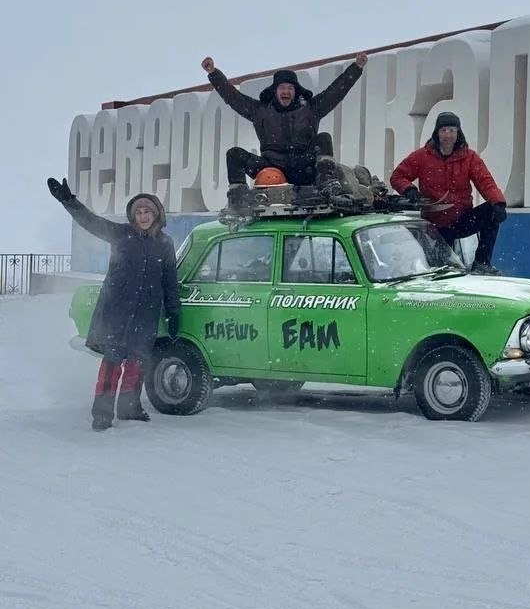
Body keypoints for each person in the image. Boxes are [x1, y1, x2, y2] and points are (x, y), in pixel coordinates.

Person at [47, 179, 180, 431]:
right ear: (133, 215)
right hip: (116, 312)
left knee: (136, 362)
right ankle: (102, 413)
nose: (143, 216)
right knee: (112, 363)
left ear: (156, 214)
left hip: (146, 313)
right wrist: (68, 201)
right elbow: (90, 221)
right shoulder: (121, 234)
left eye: (147, 212)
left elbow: (170, 280)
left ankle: (129, 408)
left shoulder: (165, 243)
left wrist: (173, 311)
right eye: (138, 212)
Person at [200, 53, 367, 197]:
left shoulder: (311, 108)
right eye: (282, 88)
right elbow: (232, 97)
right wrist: (214, 74)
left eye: (290, 88)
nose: (286, 92)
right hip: (271, 169)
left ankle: (328, 185)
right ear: (275, 91)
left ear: (296, 91)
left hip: (305, 167)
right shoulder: (260, 111)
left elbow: (336, 91)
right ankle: (239, 199)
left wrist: (356, 67)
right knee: (234, 154)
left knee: (323, 138)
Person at [389, 112, 507, 275]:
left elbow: (485, 181)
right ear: (437, 132)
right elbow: (397, 176)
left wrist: (498, 202)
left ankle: (482, 263)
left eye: (452, 130)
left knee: (493, 211)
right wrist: (409, 190)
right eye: (444, 130)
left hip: (462, 220)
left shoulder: (470, 157)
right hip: (435, 226)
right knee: (443, 273)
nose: (448, 135)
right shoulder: (422, 156)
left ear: (458, 133)